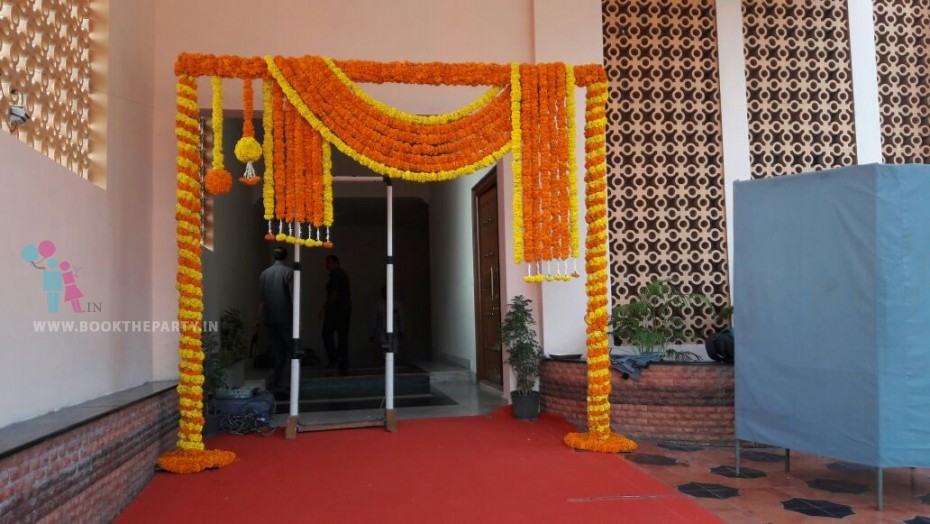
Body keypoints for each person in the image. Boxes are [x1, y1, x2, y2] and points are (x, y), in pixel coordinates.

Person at [256, 247, 294, 391]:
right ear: (286, 257)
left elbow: (261, 299)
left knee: (277, 351)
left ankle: (277, 381)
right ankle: (286, 381)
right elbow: (292, 296)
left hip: (269, 318)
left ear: (274, 257)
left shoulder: (264, 274)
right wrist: (298, 318)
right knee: (293, 348)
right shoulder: (289, 272)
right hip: (285, 317)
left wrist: (257, 319)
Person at [320, 255, 351, 374]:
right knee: (342, 337)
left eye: (328, 263)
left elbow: (334, 293)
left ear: (335, 263)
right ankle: (341, 363)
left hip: (336, 311)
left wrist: (325, 306)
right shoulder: (340, 275)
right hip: (342, 311)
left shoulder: (337, 275)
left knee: (328, 333)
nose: (326, 266)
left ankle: (336, 359)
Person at [370, 286, 404, 354]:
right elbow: (374, 320)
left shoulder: (396, 305)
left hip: (394, 332)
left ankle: (392, 362)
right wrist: (372, 334)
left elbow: (401, 318)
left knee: (394, 350)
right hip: (382, 332)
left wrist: (401, 331)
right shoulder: (379, 306)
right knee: (385, 351)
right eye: (384, 292)